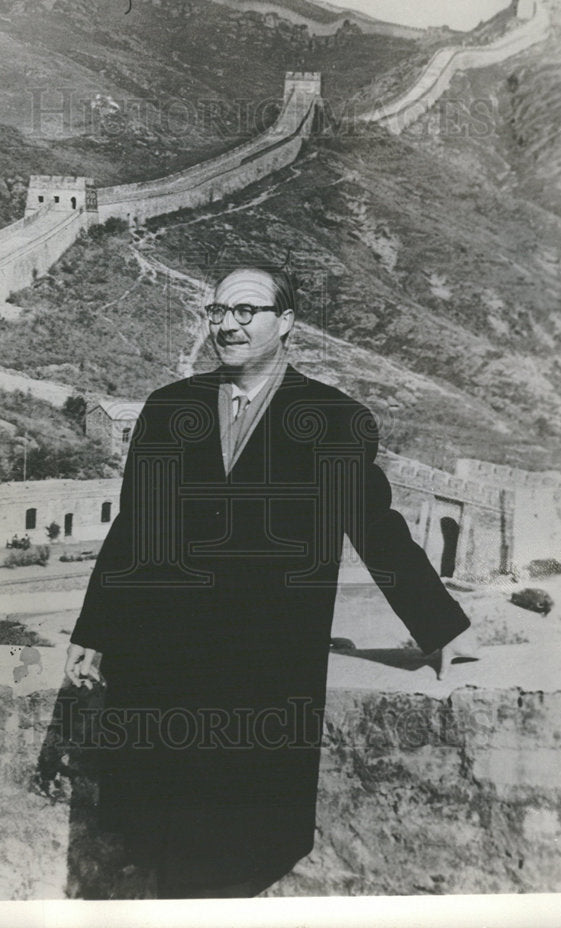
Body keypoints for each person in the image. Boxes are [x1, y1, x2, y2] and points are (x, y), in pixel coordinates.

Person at [65, 264, 473, 898]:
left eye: (246, 311)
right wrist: (93, 629)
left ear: (285, 324)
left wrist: (437, 626)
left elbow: (377, 528)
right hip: (163, 671)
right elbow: (134, 528)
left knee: (236, 854)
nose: (227, 324)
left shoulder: (333, 420)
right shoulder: (168, 409)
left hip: (263, 679)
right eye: (218, 311)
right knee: (165, 849)